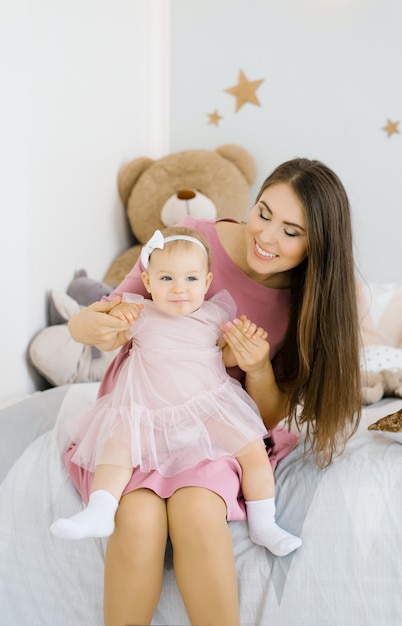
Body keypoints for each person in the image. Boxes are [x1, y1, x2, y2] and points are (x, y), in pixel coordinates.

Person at [64, 158, 362, 626]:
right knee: (137, 520)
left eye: (291, 232)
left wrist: (258, 367)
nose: (265, 238)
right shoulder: (188, 240)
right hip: (143, 413)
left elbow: (265, 417)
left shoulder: (307, 300)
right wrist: (88, 327)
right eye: (262, 213)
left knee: (199, 511)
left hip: (213, 431)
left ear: (317, 245)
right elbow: (109, 310)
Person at [51, 227, 302, 557]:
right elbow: (110, 340)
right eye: (166, 279)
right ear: (150, 282)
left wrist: (244, 346)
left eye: (191, 279)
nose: (179, 289)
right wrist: (115, 320)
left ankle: (264, 522)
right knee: (117, 447)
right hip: (147, 411)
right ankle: (100, 511)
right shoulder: (139, 312)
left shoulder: (215, 315)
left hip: (207, 408)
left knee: (252, 449)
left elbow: (225, 357)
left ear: (207, 282)